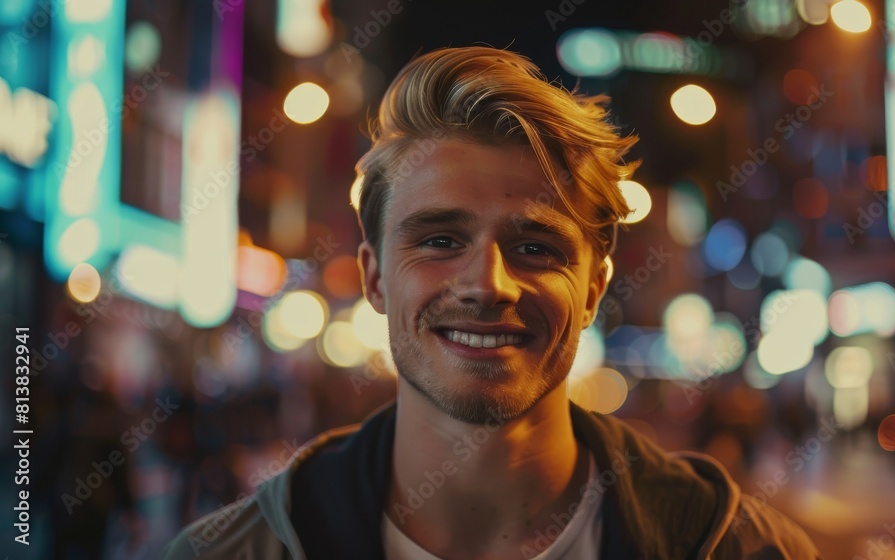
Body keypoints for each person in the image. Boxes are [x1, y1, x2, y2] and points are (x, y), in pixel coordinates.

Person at [162, 45, 821, 559]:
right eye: (441, 239)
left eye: (536, 247)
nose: (488, 284)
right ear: (376, 279)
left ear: (593, 287)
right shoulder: (226, 553)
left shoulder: (740, 549)